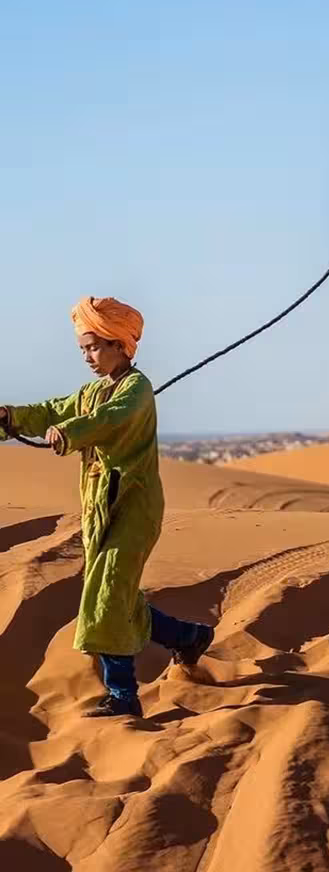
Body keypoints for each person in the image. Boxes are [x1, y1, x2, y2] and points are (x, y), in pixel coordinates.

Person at [1, 297, 215, 719]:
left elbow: (113, 418)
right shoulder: (92, 391)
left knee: (107, 593)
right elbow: (50, 410)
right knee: (115, 594)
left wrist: (71, 432)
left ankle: (123, 696)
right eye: (83, 348)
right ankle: (188, 637)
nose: (87, 356)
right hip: (101, 509)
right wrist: (9, 417)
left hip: (135, 507)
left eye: (94, 346)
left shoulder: (137, 389)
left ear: (120, 345)